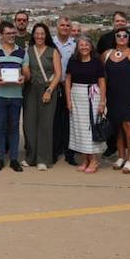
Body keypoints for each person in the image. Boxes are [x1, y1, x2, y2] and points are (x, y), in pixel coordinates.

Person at [97, 12, 130, 162]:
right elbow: (101, 73)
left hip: (129, 93)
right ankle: (119, 155)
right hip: (113, 95)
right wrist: (102, 98)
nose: (122, 37)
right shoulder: (106, 49)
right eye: (119, 36)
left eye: (125, 36)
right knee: (117, 126)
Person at [0, 21, 26, 173]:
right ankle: (0, 159)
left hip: (16, 96)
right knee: (0, 127)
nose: (11, 36)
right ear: (1, 35)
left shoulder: (22, 52)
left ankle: (14, 159)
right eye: (8, 33)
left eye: (13, 33)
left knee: (14, 128)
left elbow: (26, 73)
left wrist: (23, 77)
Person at [62, 36, 107, 173]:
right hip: (77, 96)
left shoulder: (97, 62)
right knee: (79, 128)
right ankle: (85, 159)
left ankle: (93, 160)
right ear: (77, 47)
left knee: (91, 128)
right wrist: (68, 100)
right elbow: (68, 81)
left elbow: (102, 82)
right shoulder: (73, 61)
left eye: (86, 44)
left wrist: (102, 101)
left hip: (93, 95)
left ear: (91, 47)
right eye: (81, 45)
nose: (84, 47)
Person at [22, 22, 63, 171]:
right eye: (37, 34)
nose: (39, 36)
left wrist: (50, 90)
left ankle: (43, 159)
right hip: (30, 89)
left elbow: (58, 73)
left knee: (45, 125)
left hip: (47, 89)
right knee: (29, 124)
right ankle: (30, 157)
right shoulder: (28, 51)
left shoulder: (53, 51)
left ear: (46, 35)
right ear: (33, 35)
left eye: (42, 34)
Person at [51, 18, 77, 165]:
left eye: (68, 25)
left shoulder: (75, 45)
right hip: (54, 86)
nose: (65, 27)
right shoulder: (51, 43)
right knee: (54, 120)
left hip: (70, 87)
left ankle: (69, 153)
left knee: (69, 121)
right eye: (62, 25)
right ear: (57, 27)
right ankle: (54, 151)